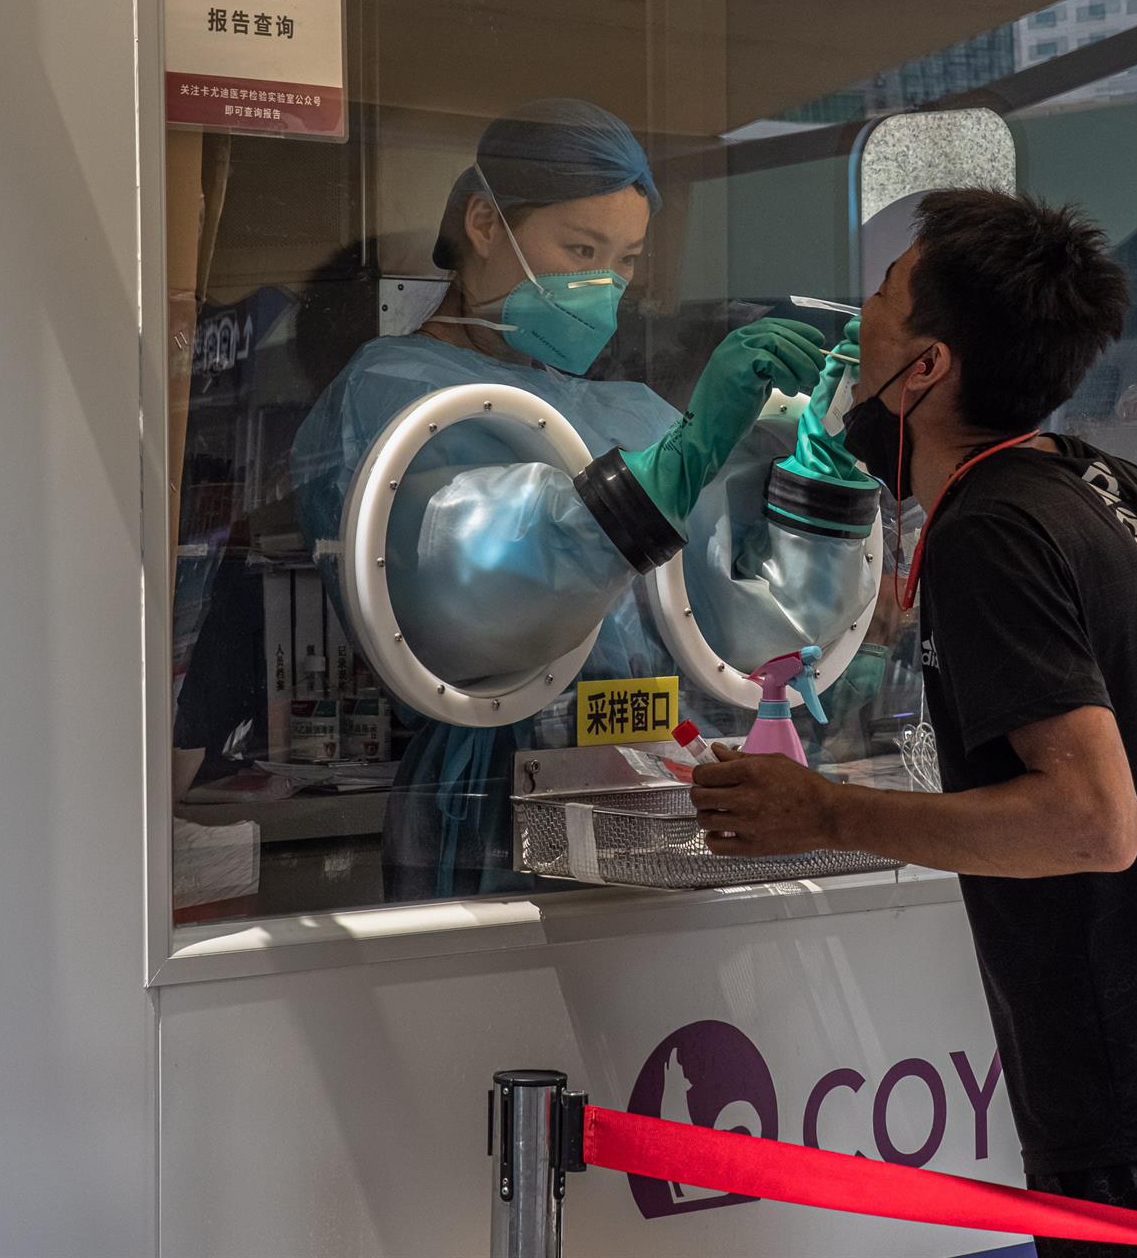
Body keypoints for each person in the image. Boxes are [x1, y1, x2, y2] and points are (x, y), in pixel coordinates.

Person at [689, 189, 1137, 1256]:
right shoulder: (1111, 486)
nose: (857, 324)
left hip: (1136, 1099)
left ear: (926, 366)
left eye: (882, 299)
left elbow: (1093, 821)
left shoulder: (990, 529)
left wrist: (822, 810)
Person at [291, 98, 889, 901]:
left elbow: (755, 632)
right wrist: (692, 450)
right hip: (498, 801)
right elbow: (486, 587)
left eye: (627, 259)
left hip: (669, 787)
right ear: (483, 223)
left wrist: (827, 450)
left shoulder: (630, 412)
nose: (604, 284)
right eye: (580, 249)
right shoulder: (393, 395)